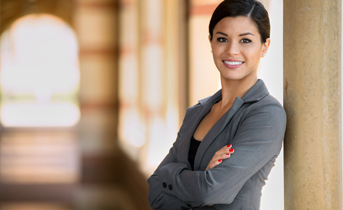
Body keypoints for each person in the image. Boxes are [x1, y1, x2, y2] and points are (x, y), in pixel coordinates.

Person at [147, 0, 286, 209]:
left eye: (245, 41)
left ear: (264, 46)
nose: (232, 51)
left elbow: (209, 191)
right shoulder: (196, 113)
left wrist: (173, 174)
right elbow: (154, 190)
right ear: (211, 42)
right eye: (223, 39)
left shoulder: (266, 114)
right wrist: (200, 177)